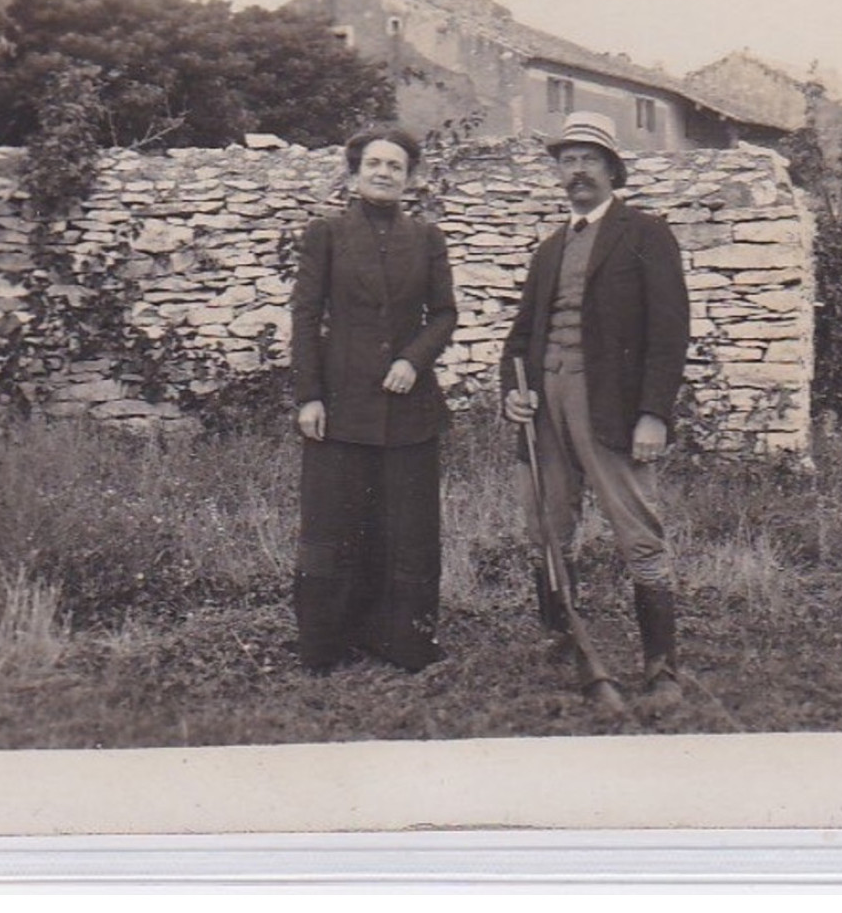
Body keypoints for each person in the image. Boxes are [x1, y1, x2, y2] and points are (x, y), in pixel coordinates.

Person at [499, 111, 691, 707]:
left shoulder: (645, 233)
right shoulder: (550, 248)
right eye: (567, 159)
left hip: (608, 404)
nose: (577, 170)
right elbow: (519, 336)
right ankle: (565, 643)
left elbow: (669, 331)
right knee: (548, 527)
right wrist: (513, 388)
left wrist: (654, 413)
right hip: (544, 407)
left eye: (589, 159)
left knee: (638, 531)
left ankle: (661, 667)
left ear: (612, 168)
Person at [288, 127, 458, 673]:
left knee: (408, 529)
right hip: (340, 407)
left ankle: (404, 642)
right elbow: (306, 317)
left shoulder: (428, 239)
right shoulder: (327, 234)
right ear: (355, 172)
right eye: (374, 164)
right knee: (335, 524)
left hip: (409, 409)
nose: (384, 173)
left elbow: (446, 314)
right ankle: (327, 645)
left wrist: (414, 359)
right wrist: (310, 397)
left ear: (411, 178)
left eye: (396, 166)